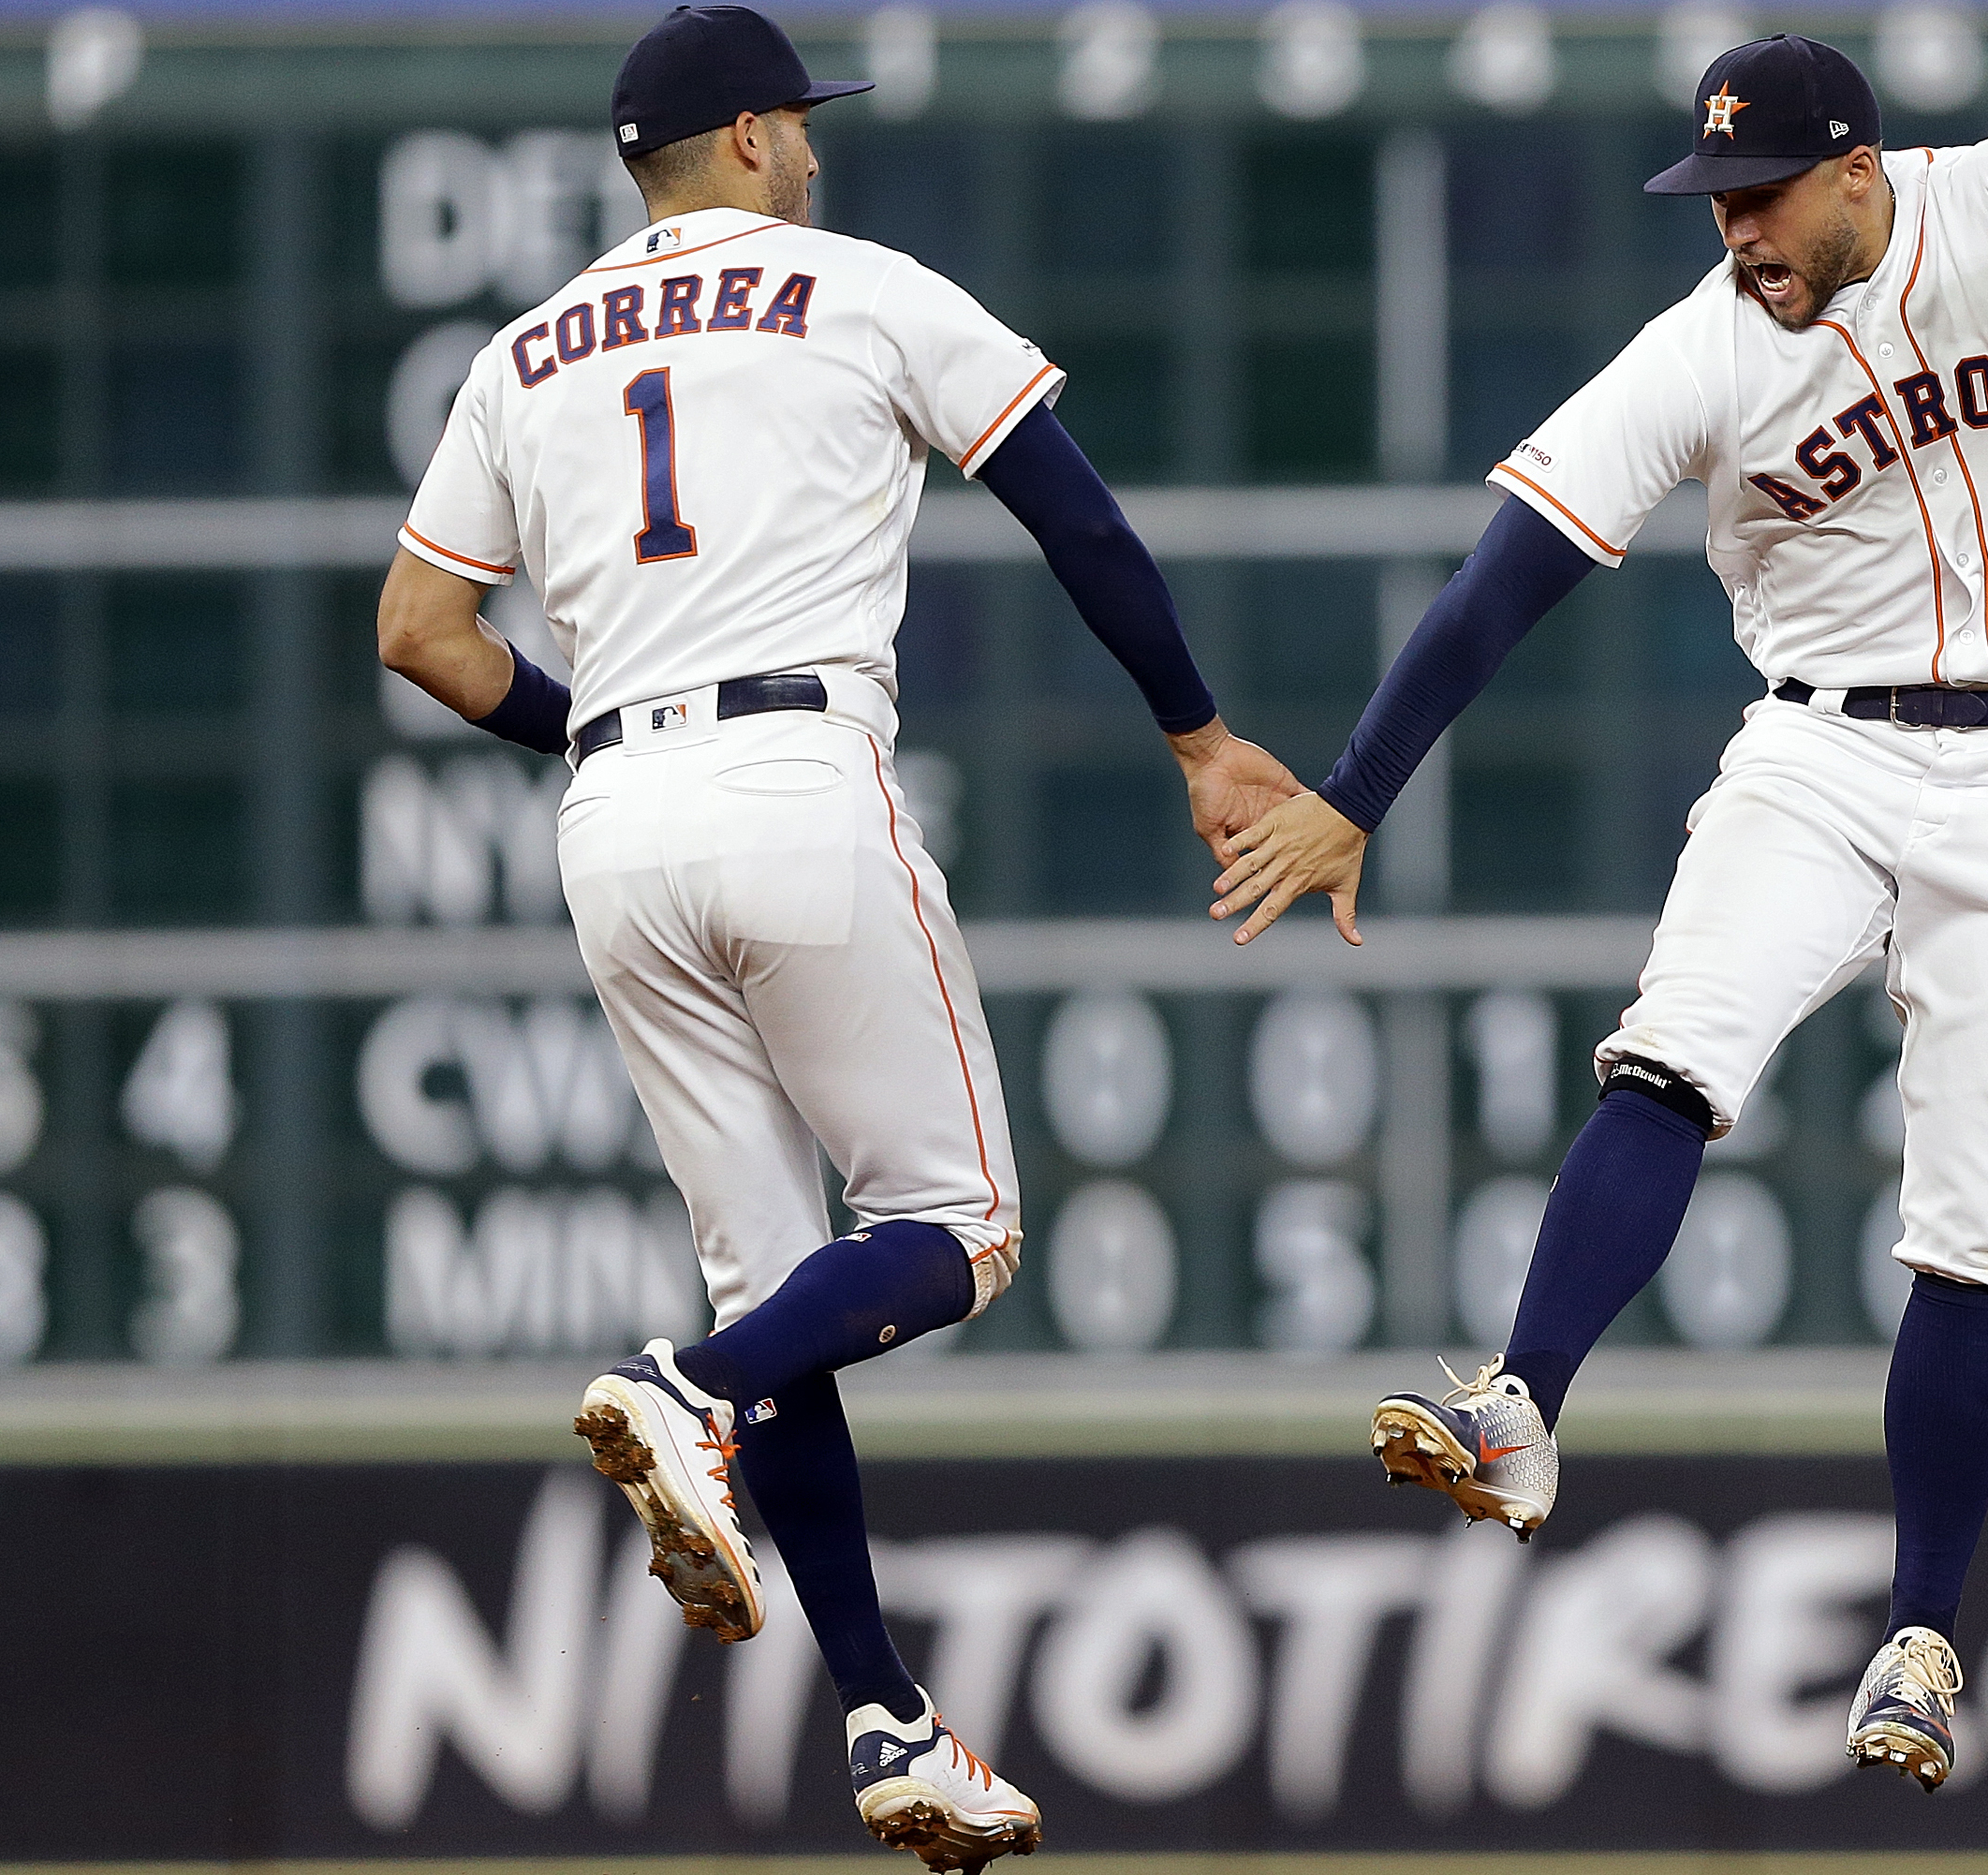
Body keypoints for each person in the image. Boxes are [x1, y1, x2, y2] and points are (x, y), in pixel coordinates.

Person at [1207, 32, 1988, 1793]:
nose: (1738, 232)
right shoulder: (1701, 349)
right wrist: (1356, 791)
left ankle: (1922, 1631)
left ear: (1861, 169)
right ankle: (1523, 1406)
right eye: (1715, 200)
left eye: (1763, 194)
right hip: (1821, 747)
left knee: (1976, 1226)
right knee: (1673, 1049)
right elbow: (1504, 585)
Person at [376, 7, 1299, 1864]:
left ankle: (888, 1721)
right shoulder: (854, 288)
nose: (812, 145)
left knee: (774, 1289)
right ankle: (681, 1395)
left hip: (614, 819)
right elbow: (1073, 512)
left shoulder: (524, 352)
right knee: (956, 1229)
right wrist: (1199, 731)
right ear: (741, 138)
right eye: (794, 122)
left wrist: (602, 736)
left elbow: (420, 630)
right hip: (800, 775)